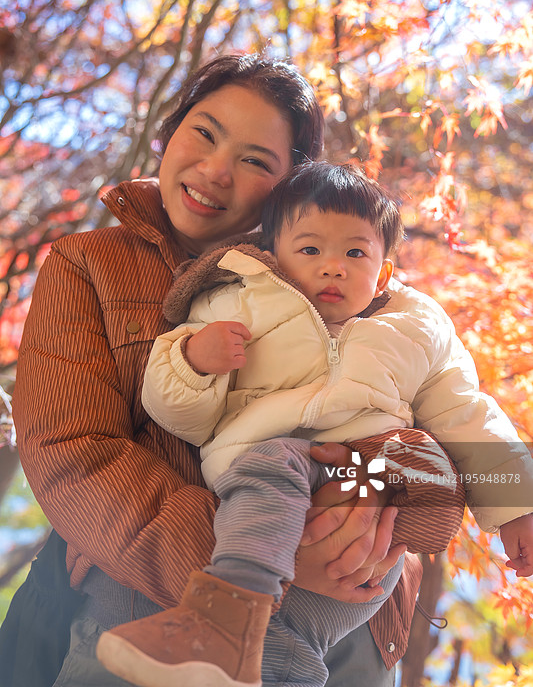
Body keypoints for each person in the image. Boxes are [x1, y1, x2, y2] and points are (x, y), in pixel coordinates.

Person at [3, 52, 531, 687]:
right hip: (170, 592)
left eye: (257, 159)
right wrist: (268, 561)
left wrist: (504, 497)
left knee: (421, 462)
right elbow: (74, 450)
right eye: (204, 131)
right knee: (273, 468)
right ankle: (231, 616)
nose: (217, 169)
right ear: (171, 131)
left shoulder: (393, 310)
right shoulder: (134, 273)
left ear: (287, 187)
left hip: (355, 608)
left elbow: (464, 408)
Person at [96, 162, 468, 687]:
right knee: (280, 650)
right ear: (275, 255)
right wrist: (194, 361)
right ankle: (228, 628)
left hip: (376, 515)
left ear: (384, 271)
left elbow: (467, 409)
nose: (333, 267)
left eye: (355, 253)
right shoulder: (239, 299)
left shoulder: (415, 327)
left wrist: (516, 503)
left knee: (418, 457)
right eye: (310, 249)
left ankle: (221, 620)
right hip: (266, 500)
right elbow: (182, 418)